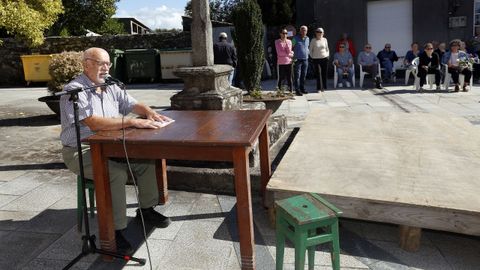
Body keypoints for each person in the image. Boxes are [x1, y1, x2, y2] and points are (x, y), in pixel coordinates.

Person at [60, 47, 172, 255]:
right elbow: (93, 123)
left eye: (108, 63)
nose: (106, 68)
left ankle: (146, 210)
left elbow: (130, 103)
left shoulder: (110, 83)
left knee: (147, 160)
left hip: (111, 143)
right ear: (86, 64)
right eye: (101, 63)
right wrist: (131, 123)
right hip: (81, 148)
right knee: (114, 173)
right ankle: (116, 230)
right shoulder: (74, 90)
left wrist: (149, 112)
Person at [309, 27, 329, 91]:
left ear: (323, 33)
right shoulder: (313, 40)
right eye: (317, 32)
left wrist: (327, 55)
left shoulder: (325, 40)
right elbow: (310, 50)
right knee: (318, 73)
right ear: (315, 33)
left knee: (324, 73)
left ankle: (324, 87)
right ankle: (318, 88)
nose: (319, 33)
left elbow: (327, 48)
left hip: (324, 58)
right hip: (316, 59)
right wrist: (312, 57)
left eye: (320, 32)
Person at [275, 27, 294, 93]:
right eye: (283, 33)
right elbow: (279, 53)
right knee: (281, 77)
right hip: (281, 62)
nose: (285, 35)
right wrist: (289, 54)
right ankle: (279, 91)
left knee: (289, 78)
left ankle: (291, 91)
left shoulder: (289, 41)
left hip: (289, 62)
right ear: (280, 34)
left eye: (286, 33)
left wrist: (286, 43)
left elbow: (289, 51)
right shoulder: (277, 42)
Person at [292, 25, 310, 96]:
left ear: (306, 31)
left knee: (304, 75)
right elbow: (291, 47)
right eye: (302, 30)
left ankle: (302, 88)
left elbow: (307, 48)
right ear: (300, 31)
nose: (303, 31)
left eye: (305, 30)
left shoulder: (308, 38)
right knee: (297, 75)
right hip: (297, 60)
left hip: (305, 59)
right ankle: (297, 90)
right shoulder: (295, 38)